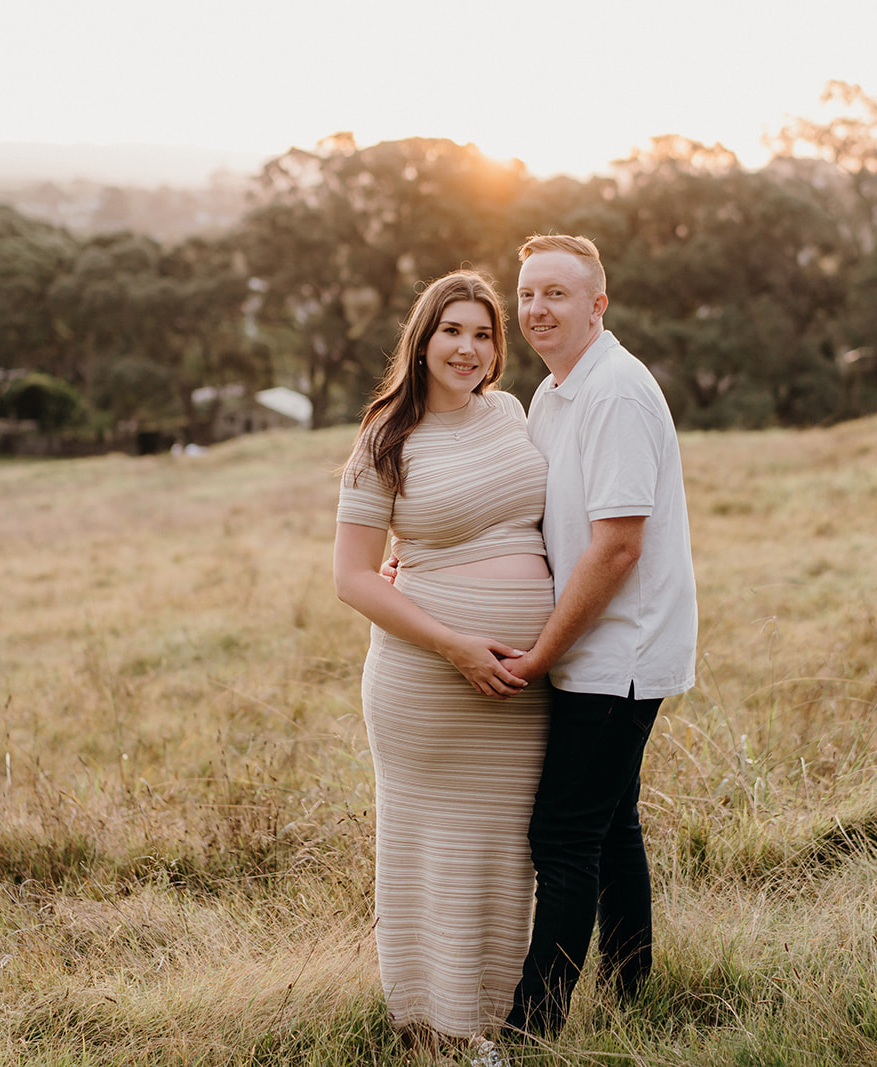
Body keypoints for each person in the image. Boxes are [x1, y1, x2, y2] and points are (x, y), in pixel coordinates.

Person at [332, 269, 552, 1048]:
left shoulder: (514, 413)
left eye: (483, 333)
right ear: (422, 339)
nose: (467, 347)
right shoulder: (384, 439)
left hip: (520, 689)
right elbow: (352, 576)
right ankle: (429, 1025)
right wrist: (455, 642)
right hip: (426, 685)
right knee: (431, 846)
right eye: (451, 331)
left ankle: (492, 1024)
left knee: (503, 852)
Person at [499, 234, 698, 1037]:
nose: (537, 309)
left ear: (597, 305)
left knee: (563, 834)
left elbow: (618, 544)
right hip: (593, 651)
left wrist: (542, 653)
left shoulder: (614, 391)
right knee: (612, 824)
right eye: (528, 294)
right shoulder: (556, 390)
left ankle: (527, 1035)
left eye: (556, 293)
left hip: (620, 656)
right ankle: (634, 996)